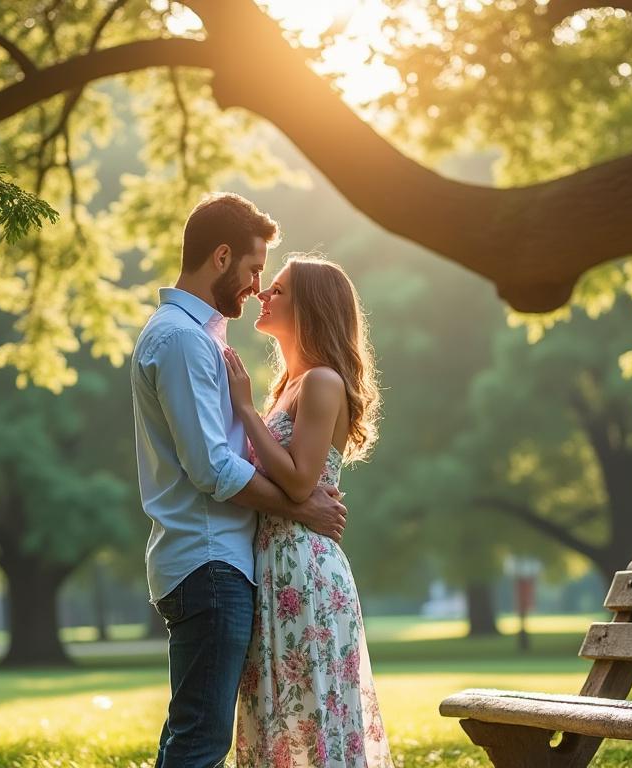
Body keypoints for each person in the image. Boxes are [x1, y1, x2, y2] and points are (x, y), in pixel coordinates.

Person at [131, 194, 348, 768]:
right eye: (255, 269)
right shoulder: (181, 339)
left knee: (195, 734)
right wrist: (301, 508)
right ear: (221, 257)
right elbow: (212, 468)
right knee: (200, 740)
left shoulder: (204, 337)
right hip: (208, 561)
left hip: (224, 562)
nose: (257, 286)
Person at [225, 254, 393, 767]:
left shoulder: (322, 381)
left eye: (277, 290)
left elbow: (299, 480)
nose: (262, 295)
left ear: (309, 308)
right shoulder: (289, 388)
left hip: (304, 569)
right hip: (272, 563)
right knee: (277, 716)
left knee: (313, 718)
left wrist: (245, 410)